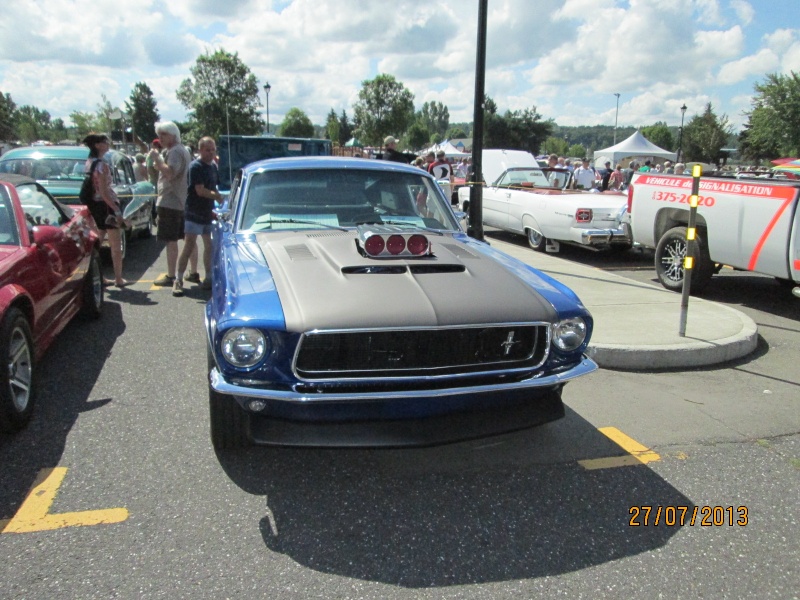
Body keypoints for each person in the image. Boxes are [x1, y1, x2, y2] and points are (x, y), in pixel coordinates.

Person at [172, 137, 221, 297]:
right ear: (200, 150)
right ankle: (178, 280)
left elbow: (215, 186)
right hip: (194, 212)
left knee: (210, 246)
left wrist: (218, 197)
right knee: (189, 245)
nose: (211, 153)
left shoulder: (213, 166)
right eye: (208, 150)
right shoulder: (196, 166)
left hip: (208, 213)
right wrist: (217, 196)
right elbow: (200, 190)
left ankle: (209, 277)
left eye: (213, 149)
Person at [150, 121, 193, 287]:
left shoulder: (174, 151)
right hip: (180, 200)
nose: (160, 138)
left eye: (164, 134)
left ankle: (171, 275)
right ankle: (192, 271)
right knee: (186, 238)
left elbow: (170, 173)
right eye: (159, 134)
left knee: (171, 240)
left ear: (173, 135)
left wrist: (157, 160)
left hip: (170, 200)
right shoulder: (181, 150)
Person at [82, 133, 128, 287]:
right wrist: (116, 210)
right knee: (115, 245)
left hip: (95, 206)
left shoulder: (89, 163)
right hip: (107, 206)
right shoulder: (102, 165)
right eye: (104, 142)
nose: (107, 144)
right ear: (97, 145)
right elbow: (104, 191)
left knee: (98, 242)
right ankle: (119, 278)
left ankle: (98, 276)